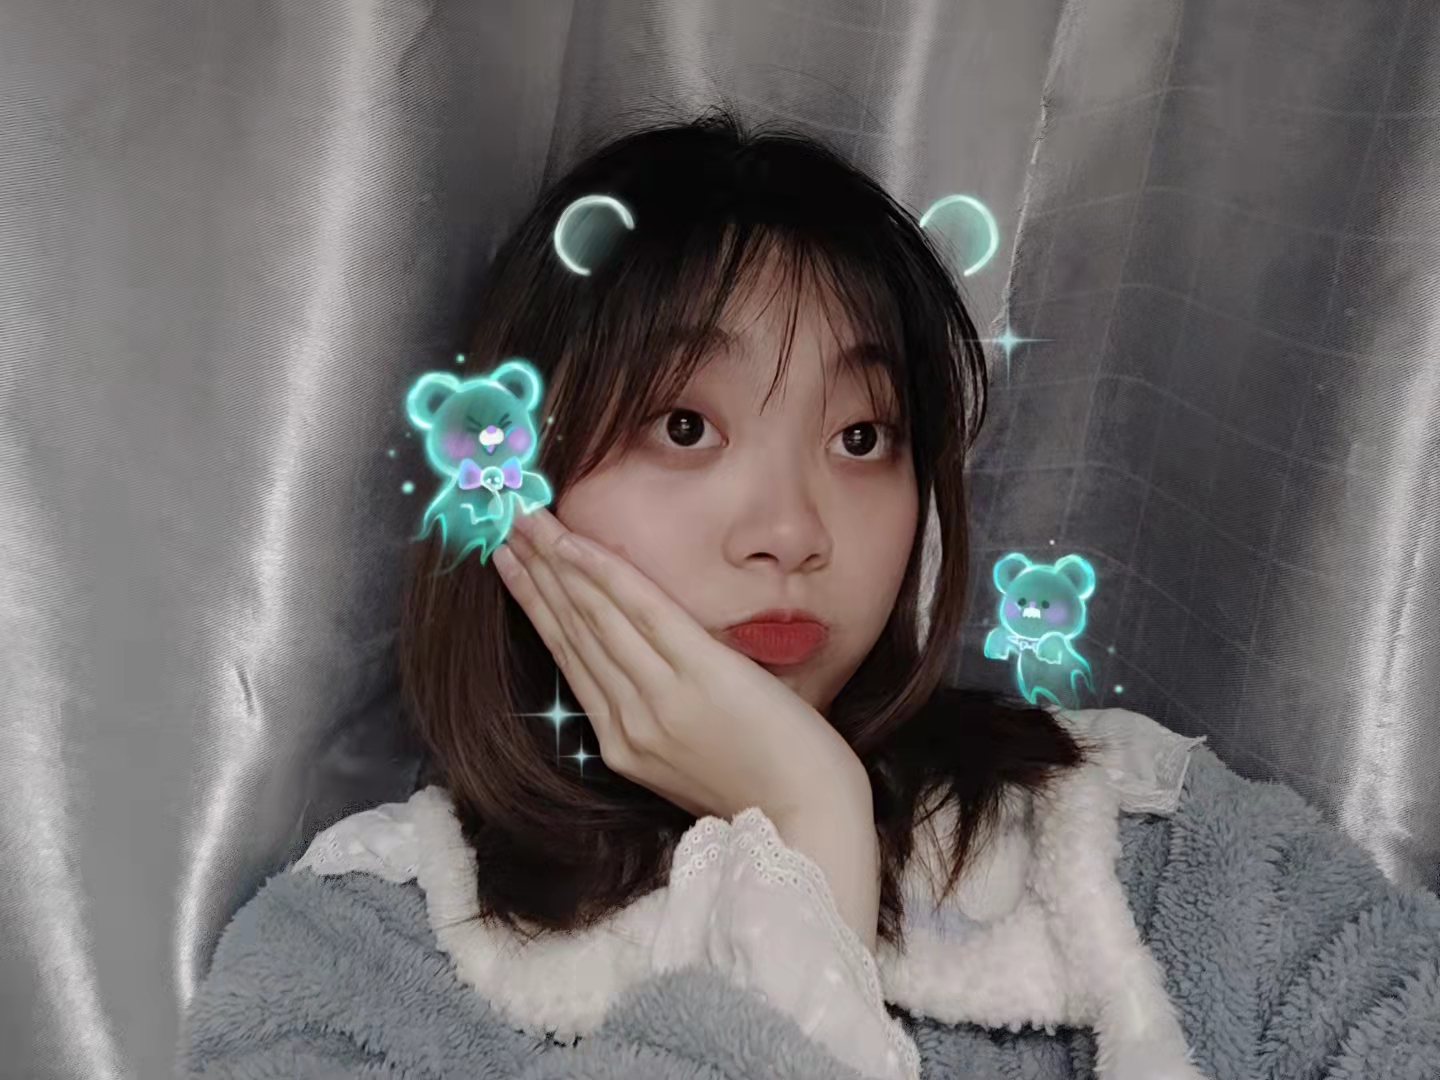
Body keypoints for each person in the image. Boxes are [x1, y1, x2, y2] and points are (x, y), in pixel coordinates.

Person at [179, 109, 1440, 1080]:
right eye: (685, 425)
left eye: (861, 437)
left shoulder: (1145, 841)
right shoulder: (362, 959)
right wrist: (802, 836)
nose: (791, 532)